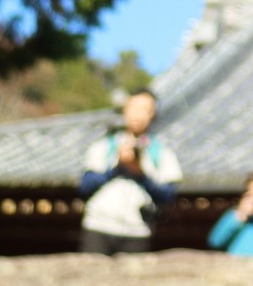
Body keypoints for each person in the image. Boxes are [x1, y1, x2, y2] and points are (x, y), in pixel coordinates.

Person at [77, 89, 182, 255]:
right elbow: (86, 186)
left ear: (153, 115)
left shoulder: (162, 153)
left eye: (145, 110)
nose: (138, 115)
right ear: (125, 109)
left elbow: (168, 196)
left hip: (137, 231)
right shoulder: (104, 146)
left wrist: (140, 173)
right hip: (98, 226)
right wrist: (117, 166)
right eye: (134, 108)